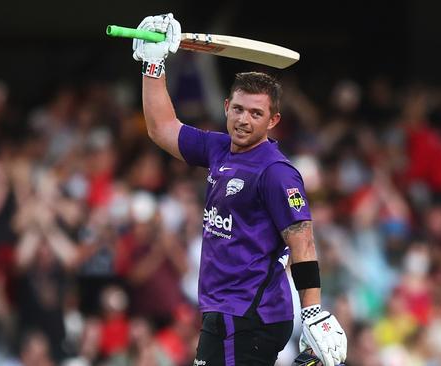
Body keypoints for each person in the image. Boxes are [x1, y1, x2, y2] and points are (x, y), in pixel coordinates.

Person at [130, 13, 347, 366]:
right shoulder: (218, 148)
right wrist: (153, 66)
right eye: (239, 109)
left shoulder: (276, 172)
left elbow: (302, 240)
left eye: (256, 114)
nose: (244, 120)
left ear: (273, 120)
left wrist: (313, 312)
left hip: (250, 313)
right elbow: (161, 128)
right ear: (226, 107)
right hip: (227, 309)